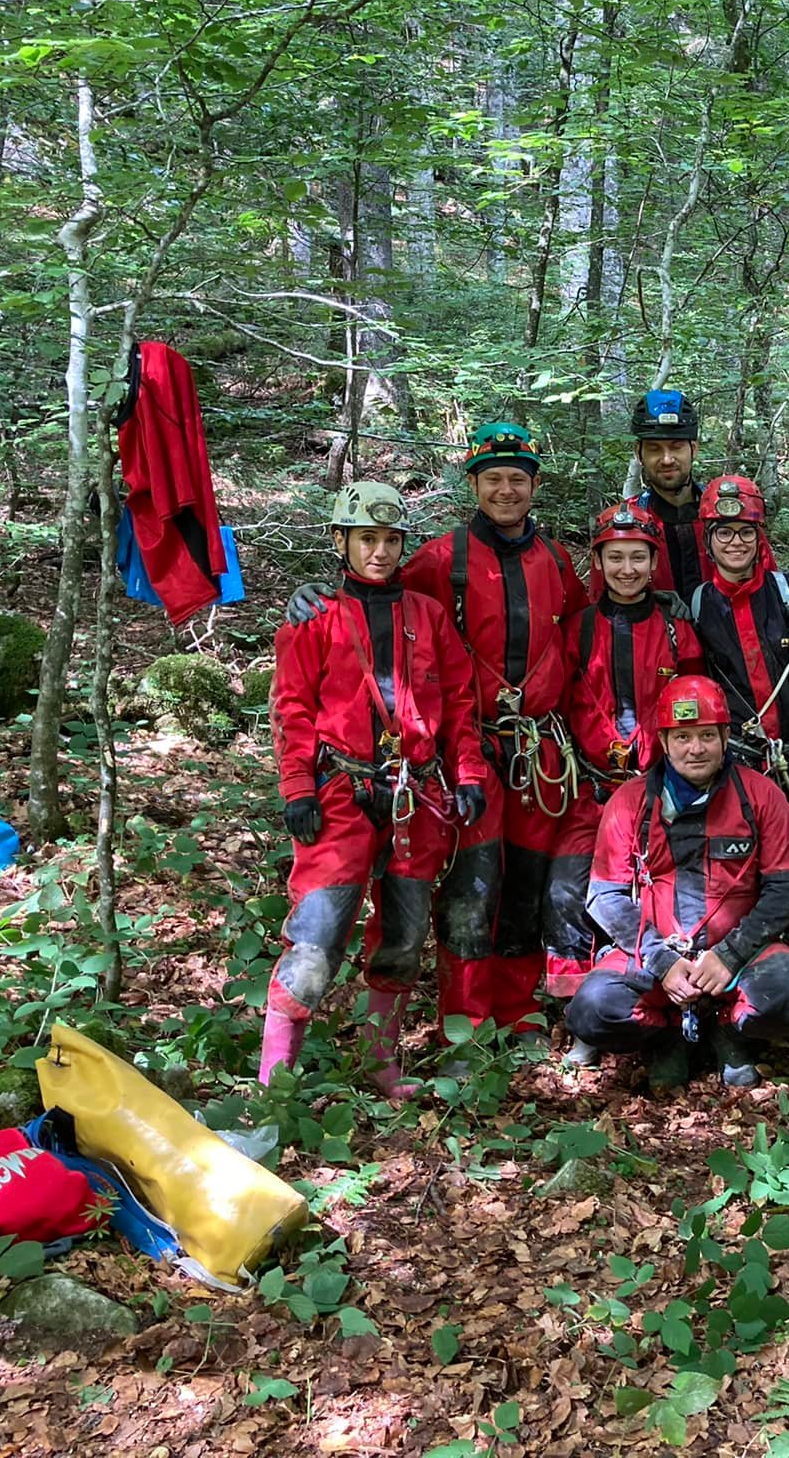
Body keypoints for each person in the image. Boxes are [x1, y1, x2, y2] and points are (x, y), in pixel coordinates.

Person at [286, 422, 586, 1031]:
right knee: (472, 891)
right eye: (494, 478)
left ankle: (519, 1009)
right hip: (454, 755)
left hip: (536, 755)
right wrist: (313, 592)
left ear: (534, 486)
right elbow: (378, 600)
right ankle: (466, 1023)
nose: (507, 490)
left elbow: (583, 634)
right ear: (473, 484)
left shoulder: (555, 560)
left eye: (518, 479)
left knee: (525, 883)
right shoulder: (440, 560)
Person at [265, 482, 491, 1098]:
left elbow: (461, 704)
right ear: (341, 542)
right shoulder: (315, 620)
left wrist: (467, 774)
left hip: (416, 796)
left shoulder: (429, 616)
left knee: (403, 935)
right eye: (368, 538)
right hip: (340, 790)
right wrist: (297, 789)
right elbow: (292, 708)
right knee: (317, 936)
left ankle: (379, 1061)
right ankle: (275, 1083)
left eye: (392, 540)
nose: (381, 552)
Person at [566, 675, 789, 1090]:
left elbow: (785, 886)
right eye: (683, 737)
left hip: (737, 960)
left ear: (725, 737)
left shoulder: (761, 797)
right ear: (664, 742)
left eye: (707, 735)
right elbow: (605, 894)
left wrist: (731, 954)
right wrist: (662, 961)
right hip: (654, 960)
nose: (696, 748)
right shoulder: (629, 803)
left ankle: (728, 1032)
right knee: (593, 1008)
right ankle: (666, 1035)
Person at [545, 502, 704, 1035]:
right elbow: (558, 696)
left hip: (661, 790)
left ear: (653, 561)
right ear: (599, 561)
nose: (628, 569)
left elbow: (696, 699)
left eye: (638, 557)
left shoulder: (676, 629)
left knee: (656, 890)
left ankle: (652, 995)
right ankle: (576, 1009)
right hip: (590, 787)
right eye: (616, 557)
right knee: (567, 888)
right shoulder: (578, 628)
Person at [683, 474, 789, 823]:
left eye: (746, 532)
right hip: (737, 765)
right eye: (724, 532)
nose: (736, 542)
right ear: (708, 540)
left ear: (759, 537)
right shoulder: (698, 608)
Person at [625, 388, 706, 596]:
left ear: (693, 449)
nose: (667, 459)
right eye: (654, 449)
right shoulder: (625, 525)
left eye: (676, 446)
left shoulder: (726, 516)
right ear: (638, 452)